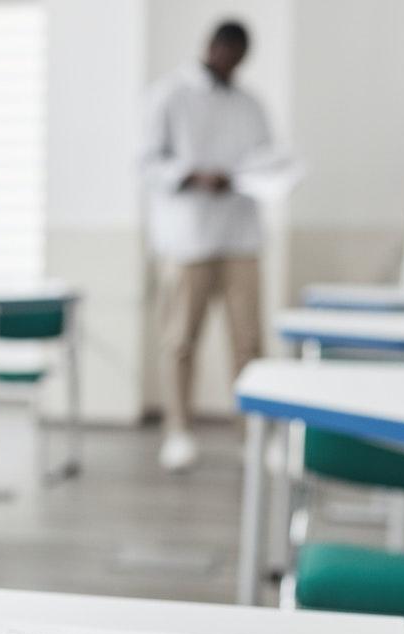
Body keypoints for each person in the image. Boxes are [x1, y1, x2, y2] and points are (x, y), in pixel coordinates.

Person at [141, 20, 271, 472]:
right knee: (180, 340)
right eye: (227, 54)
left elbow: (266, 160)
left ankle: (253, 435)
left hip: (240, 235)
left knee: (248, 341)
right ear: (212, 47)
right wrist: (194, 176)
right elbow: (147, 162)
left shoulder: (251, 104)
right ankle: (178, 431)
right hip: (187, 238)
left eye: (240, 59)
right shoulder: (169, 96)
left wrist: (255, 176)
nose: (232, 64)